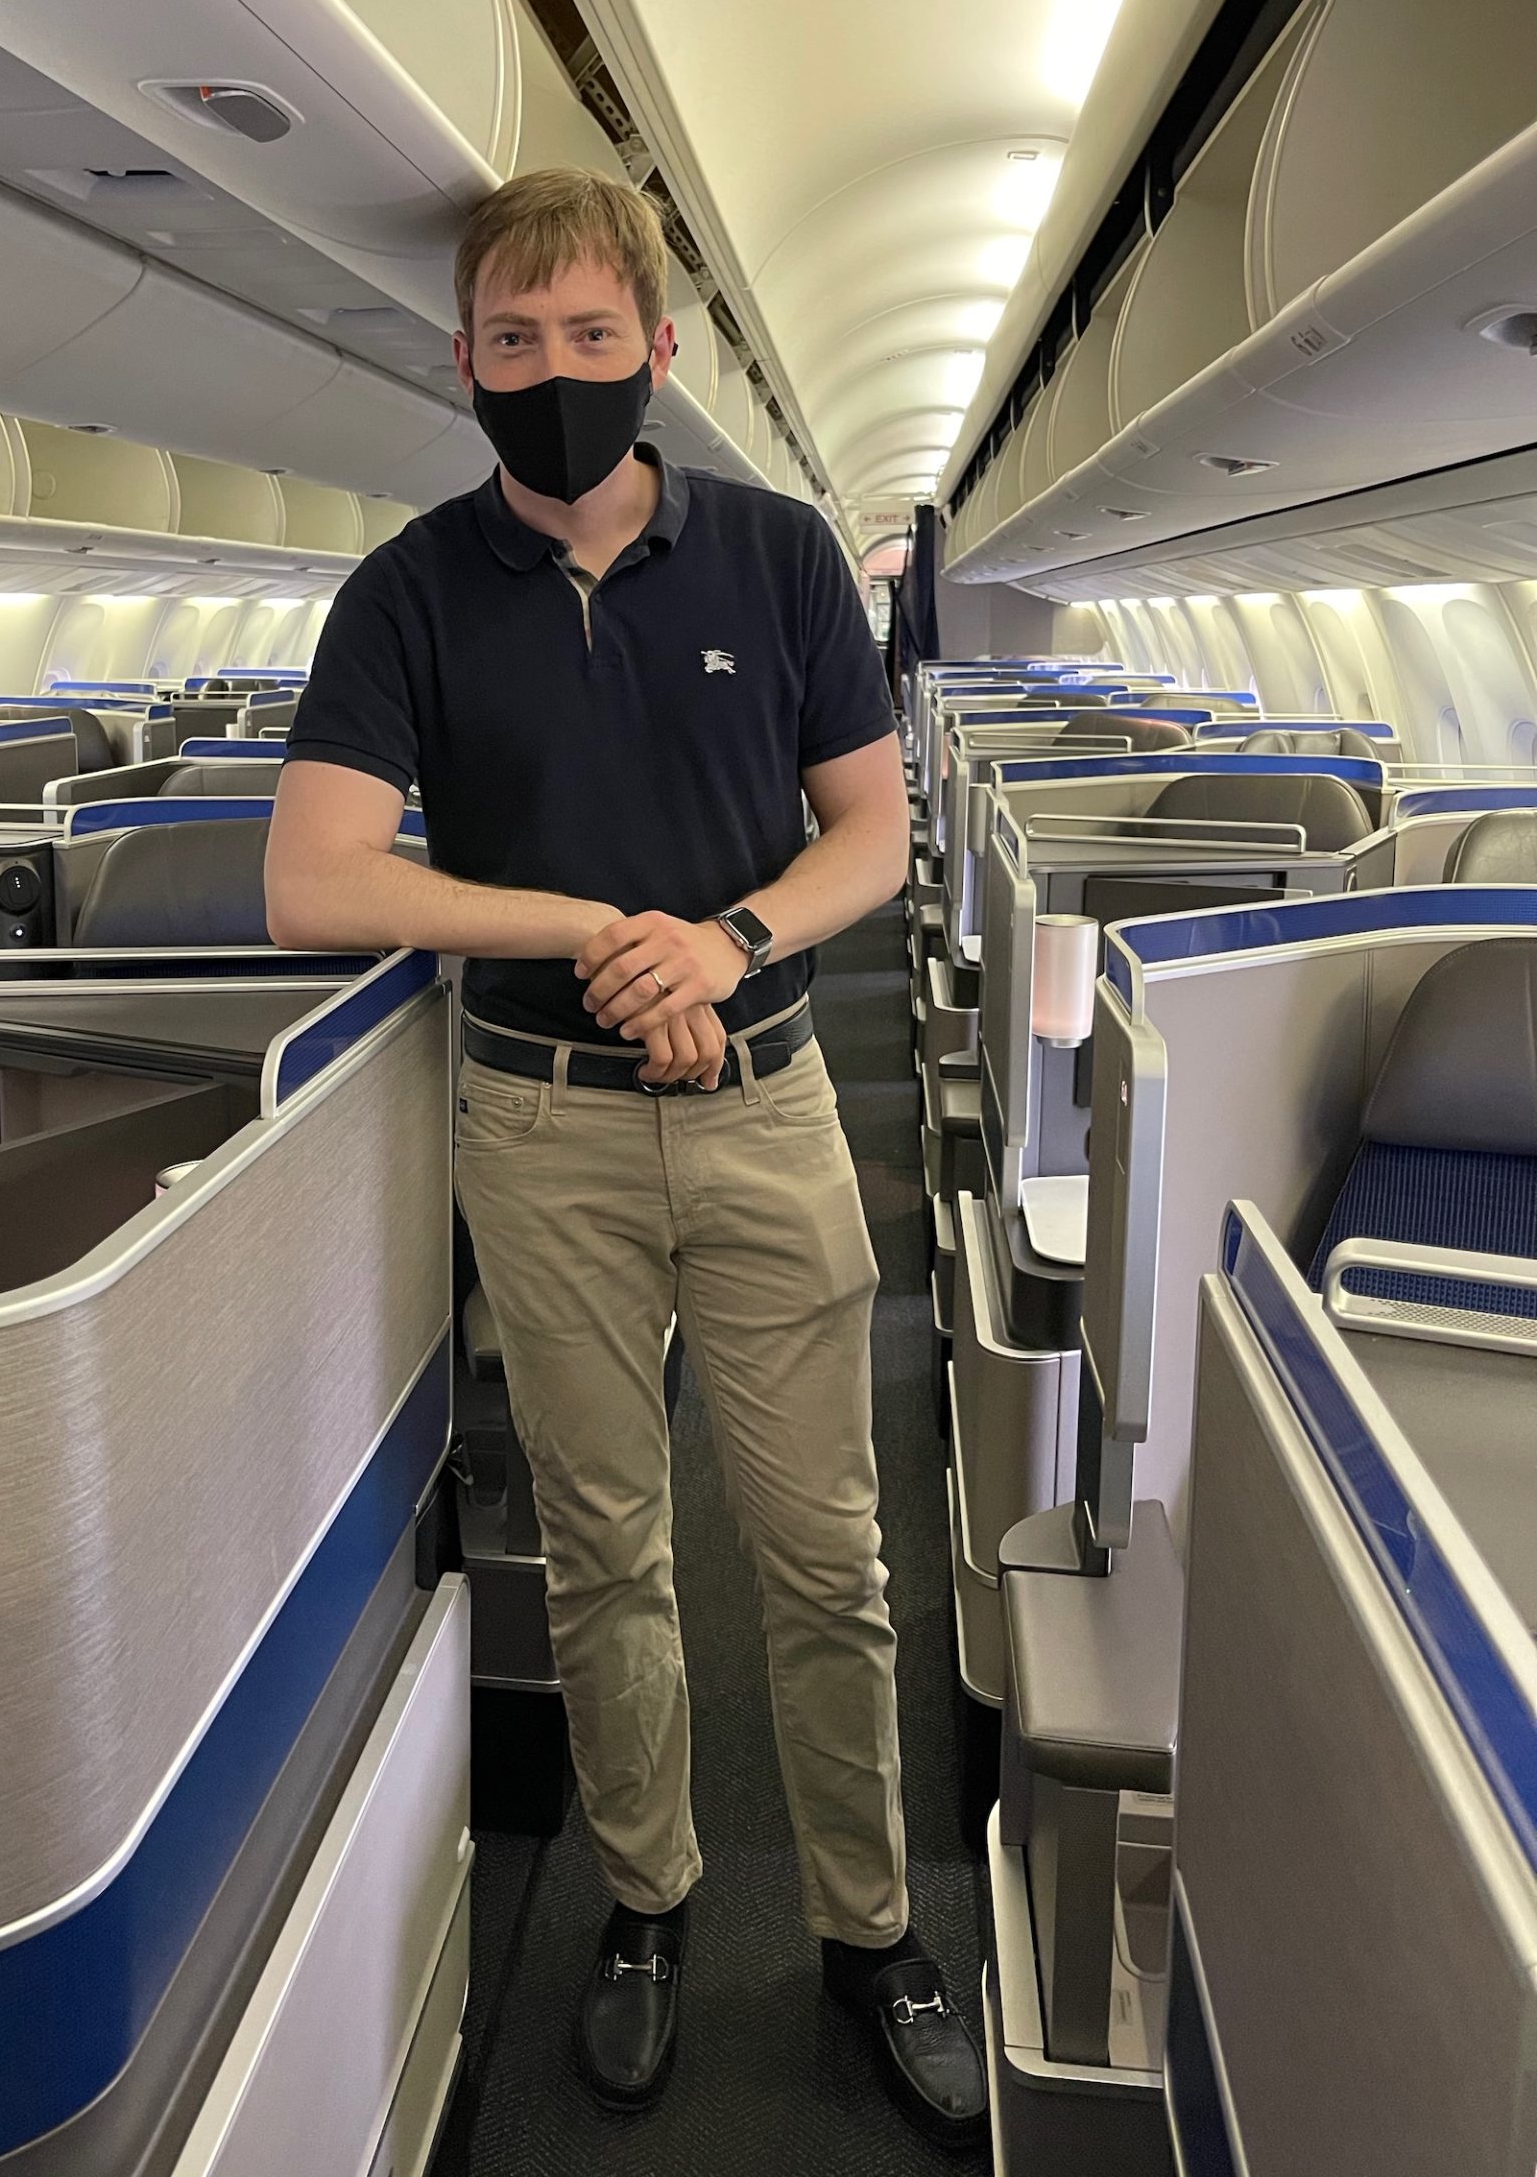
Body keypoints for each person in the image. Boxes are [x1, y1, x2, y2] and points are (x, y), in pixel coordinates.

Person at [265, 167, 986, 2146]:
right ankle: (651, 1902)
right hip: (544, 1129)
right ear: (466, 360)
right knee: (602, 1547)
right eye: (517, 342)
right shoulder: (407, 590)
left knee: (825, 1548)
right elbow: (313, 878)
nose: (555, 373)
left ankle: (871, 1924)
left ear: (658, 349)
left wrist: (729, 938)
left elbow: (869, 836)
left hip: (763, 1107)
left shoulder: (772, 562)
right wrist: (586, 923)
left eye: (593, 338)